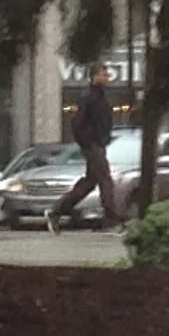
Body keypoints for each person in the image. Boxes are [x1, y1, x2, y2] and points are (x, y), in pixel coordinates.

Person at [52, 68, 120, 228]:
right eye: (103, 75)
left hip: (99, 143)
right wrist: (88, 142)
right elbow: (77, 123)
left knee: (91, 181)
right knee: (105, 178)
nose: (107, 78)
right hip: (93, 144)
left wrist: (104, 138)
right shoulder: (88, 97)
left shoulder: (101, 97)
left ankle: (58, 209)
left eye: (107, 75)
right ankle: (111, 217)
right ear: (94, 76)